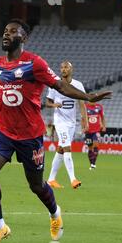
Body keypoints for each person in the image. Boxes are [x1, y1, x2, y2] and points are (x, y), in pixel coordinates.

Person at [0, 19, 111, 243]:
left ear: (23, 38)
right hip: (3, 131)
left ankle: (55, 214)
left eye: (12, 32)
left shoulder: (34, 63)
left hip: (30, 134)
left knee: (36, 185)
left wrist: (88, 97)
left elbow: (60, 86)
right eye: (5, 31)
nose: (6, 34)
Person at [46, 61, 87, 190]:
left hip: (71, 123)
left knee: (61, 150)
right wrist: (54, 105)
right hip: (60, 122)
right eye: (62, 67)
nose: (63, 70)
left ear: (71, 69)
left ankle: (51, 179)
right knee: (67, 148)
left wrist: (84, 119)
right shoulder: (55, 84)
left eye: (66, 67)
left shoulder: (78, 85)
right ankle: (73, 179)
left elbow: (82, 103)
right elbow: (47, 102)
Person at [84, 102, 106, 170]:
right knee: (90, 148)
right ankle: (91, 164)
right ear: (89, 100)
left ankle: (93, 164)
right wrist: (83, 128)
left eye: (95, 100)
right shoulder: (85, 107)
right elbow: (82, 118)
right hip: (88, 132)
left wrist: (104, 126)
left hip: (96, 131)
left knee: (96, 145)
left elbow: (102, 117)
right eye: (92, 100)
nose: (94, 102)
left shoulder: (99, 106)